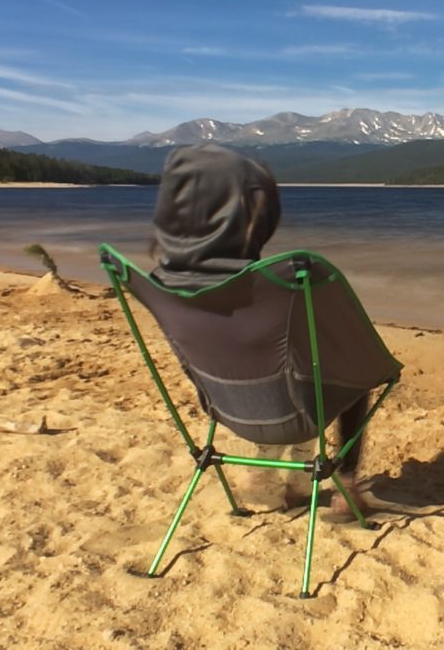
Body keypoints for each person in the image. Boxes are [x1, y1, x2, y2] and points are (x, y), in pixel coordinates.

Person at [151, 143, 368, 514]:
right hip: (294, 414)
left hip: (228, 409)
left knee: (269, 364)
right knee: (357, 372)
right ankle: (346, 483)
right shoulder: (279, 283)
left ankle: (264, 463)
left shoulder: (165, 283)